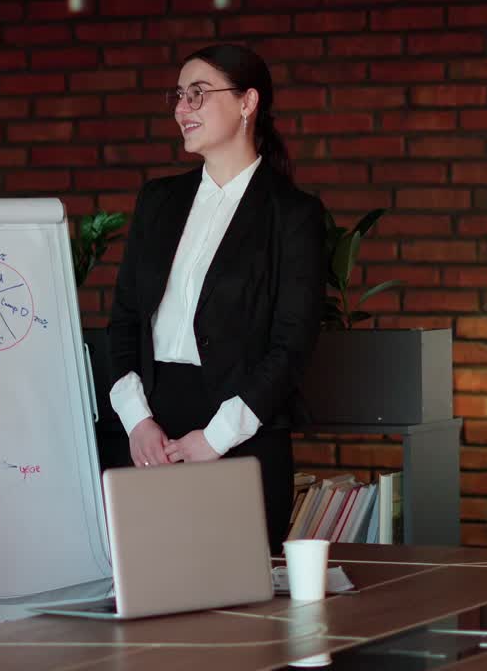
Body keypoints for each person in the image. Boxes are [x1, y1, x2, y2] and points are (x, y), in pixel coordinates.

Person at [107, 43, 325, 550]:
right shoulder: (158, 200)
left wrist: (215, 438)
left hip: (240, 432)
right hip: (149, 434)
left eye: (198, 94)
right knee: (147, 604)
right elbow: (123, 321)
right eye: (179, 96)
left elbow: (292, 346)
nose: (183, 109)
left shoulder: (292, 215)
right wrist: (138, 421)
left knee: (241, 614)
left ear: (248, 103)